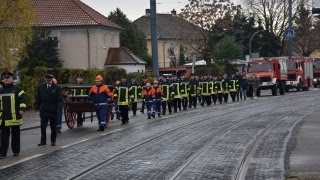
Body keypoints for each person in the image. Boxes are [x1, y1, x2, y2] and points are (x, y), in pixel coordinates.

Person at [0, 71, 26, 158]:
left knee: (15, 135)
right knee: (4, 137)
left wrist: (22, 109)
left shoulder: (18, 89)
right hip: (3, 117)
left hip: (15, 117)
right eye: (4, 78)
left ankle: (16, 151)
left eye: (8, 78)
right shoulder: (1, 90)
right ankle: (3, 153)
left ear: (12, 79)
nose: (6, 79)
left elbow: (22, 100)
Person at [35, 74, 63, 146]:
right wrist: (37, 107)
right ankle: (43, 142)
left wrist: (59, 109)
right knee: (43, 127)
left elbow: (60, 99)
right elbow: (38, 98)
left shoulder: (57, 87)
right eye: (47, 79)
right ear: (45, 79)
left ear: (52, 79)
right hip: (44, 110)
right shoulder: (41, 87)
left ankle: (53, 141)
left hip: (53, 110)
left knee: (53, 127)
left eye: (49, 79)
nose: (48, 80)